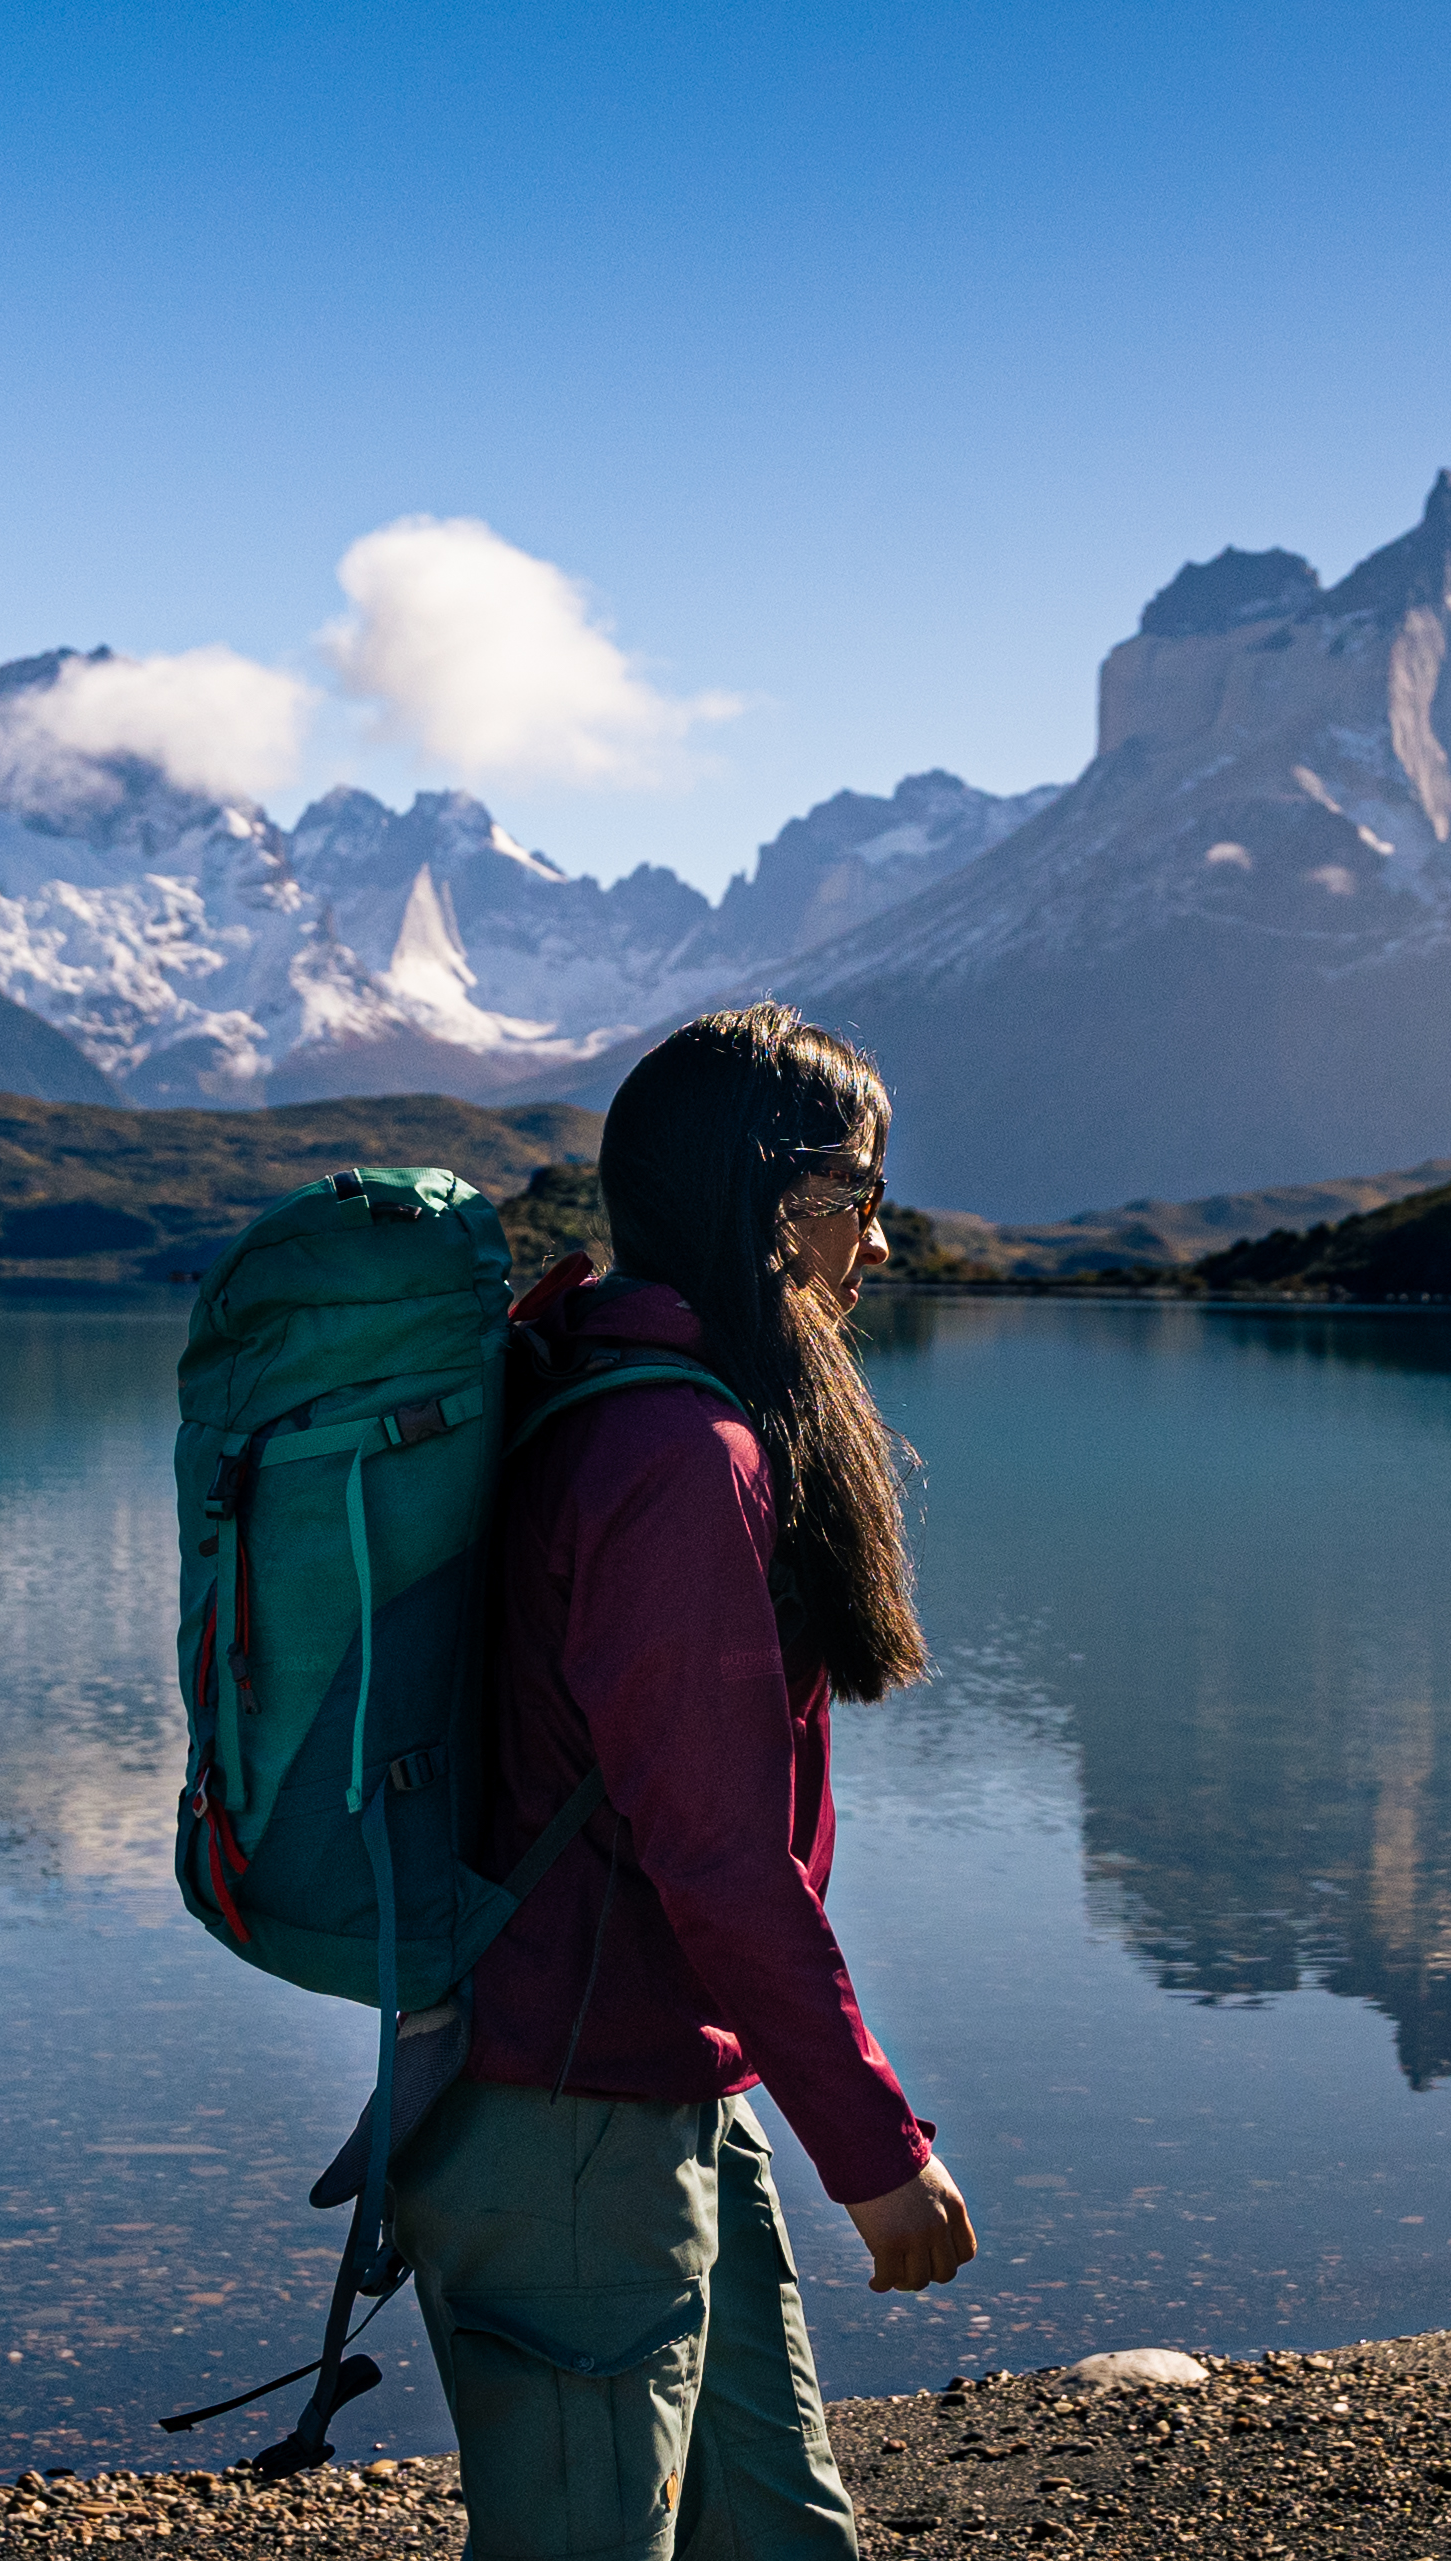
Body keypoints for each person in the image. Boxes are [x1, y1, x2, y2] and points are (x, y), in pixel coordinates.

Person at [398, 1001, 976, 2558]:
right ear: (776, 1204)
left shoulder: (613, 1385)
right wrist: (875, 2147)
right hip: (570, 2115)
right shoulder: (677, 1453)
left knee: (782, 2530)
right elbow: (715, 1851)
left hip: (650, 2082)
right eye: (859, 1195)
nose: (876, 1240)